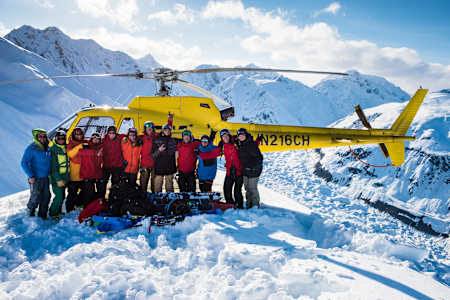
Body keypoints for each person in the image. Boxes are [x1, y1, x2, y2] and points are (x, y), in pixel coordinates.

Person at [198, 129, 244, 208]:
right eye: (223, 137)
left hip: (239, 171)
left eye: (226, 136)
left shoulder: (236, 143)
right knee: (226, 189)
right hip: (230, 171)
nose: (225, 138)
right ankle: (230, 204)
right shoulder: (222, 147)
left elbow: (247, 146)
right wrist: (200, 154)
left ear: (229, 136)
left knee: (237, 191)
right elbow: (211, 154)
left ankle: (239, 206)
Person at [21, 128, 51, 219]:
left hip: (45, 177)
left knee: (46, 196)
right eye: (40, 136)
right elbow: (24, 163)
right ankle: (31, 212)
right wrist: (31, 175)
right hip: (35, 178)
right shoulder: (32, 148)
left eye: (44, 136)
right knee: (35, 196)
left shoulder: (47, 148)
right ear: (36, 137)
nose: (42, 138)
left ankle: (43, 215)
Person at [139, 115, 173, 192]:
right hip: (144, 164)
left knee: (154, 186)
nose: (149, 128)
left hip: (155, 164)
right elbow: (130, 137)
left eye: (151, 127)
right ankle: (142, 200)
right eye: (147, 127)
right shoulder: (141, 137)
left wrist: (170, 122)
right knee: (143, 185)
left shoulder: (157, 136)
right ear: (145, 129)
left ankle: (154, 200)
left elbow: (166, 131)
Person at [235, 128, 263, 208]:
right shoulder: (241, 144)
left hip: (254, 171)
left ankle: (255, 206)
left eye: (243, 135)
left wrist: (251, 167)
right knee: (247, 189)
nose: (241, 137)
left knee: (252, 188)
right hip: (245, 171)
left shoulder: (251, 144)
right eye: (239, 136)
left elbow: (259, 158)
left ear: (245, 135)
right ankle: (249, 205)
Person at [78, 132, 103, 206]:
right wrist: (95, 153)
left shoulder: (101, 148)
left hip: (97, 174)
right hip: (87, 174)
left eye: (97, 139)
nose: (95, 140)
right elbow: (80, 152)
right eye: (94, 138)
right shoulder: (86, 146)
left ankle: (95, 206)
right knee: (89, 192)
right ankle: (86, 207)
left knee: (99, 192)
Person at [49, 130, 70, 217]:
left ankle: (58, 210)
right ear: (56, 139)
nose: (61, 140)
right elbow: (53, 167)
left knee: (63, 195)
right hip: (57, 178)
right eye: (59, 138)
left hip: (65, 177)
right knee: (59, 196)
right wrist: (58, 179)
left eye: (62, 138)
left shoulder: (66, 148)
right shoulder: (53, 150)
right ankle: (53, 213)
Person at [152, 124, 178, 192]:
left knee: (169, 185)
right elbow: (153, 155)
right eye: (165, 130)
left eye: (168, 130)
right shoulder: (157, 140)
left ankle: (169, 198)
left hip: (170, 166)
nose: (167, 131)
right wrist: (159, 150)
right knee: (158, 184)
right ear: (162, 131)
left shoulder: (173, 140)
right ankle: (157, 198)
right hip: (159, 166)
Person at [100, 125, 125, 198]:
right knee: (103, 183)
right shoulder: (104, 140)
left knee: (115, 184)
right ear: (108, 133)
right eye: (110, 133)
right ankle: (101, 199)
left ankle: (113, 199)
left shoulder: (120, 138)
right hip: (106, 165)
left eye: (113, 133)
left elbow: (129, 135)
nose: (111, 135)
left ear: (116, 133)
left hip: (117, 166)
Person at [66, 127, 86, 212]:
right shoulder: (70, 144)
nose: (79, 136)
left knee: (86, 190)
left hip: (82, 174)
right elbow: (70, 154)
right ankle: (69, 208)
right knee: (72, 193)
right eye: (77, 134)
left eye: (80, 134)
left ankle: (78, 203)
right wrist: (79, 147)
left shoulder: (84, 143)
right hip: (73, 176)